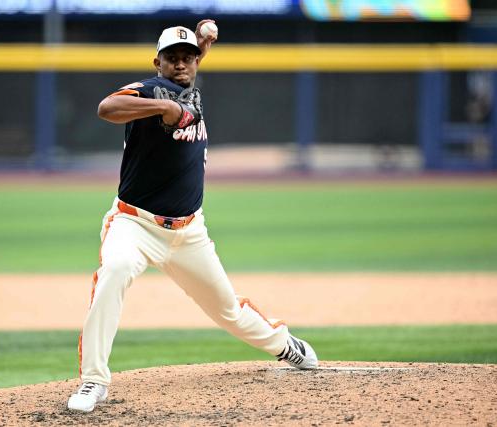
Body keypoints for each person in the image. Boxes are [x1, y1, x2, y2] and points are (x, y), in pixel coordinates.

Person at [67, 21, 318, 413]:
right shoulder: (150, 90)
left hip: (190, 233)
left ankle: (284, 344)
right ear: (157, 62)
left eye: (188, 57)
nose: (181, 63)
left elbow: (191, 63)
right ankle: (93, 382)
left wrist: (203, 40)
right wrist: (162, 107)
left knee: (228, 310)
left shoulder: (188, 87)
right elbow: (106, 108)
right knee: (113, 273)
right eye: (172, 58)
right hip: (135, 225)